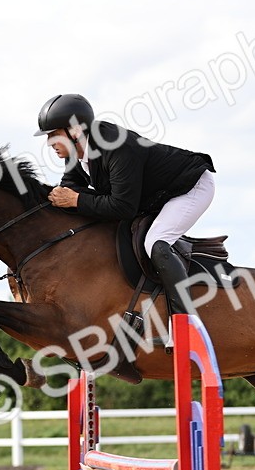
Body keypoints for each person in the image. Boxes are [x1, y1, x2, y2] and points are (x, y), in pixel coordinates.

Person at [34, 93, 216, 314]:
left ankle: (185, 321)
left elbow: (122, 207)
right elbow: (70, 189)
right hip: (152, 196)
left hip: (190, 187)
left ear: (75, 131)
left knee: (155, 242)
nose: (49, 143)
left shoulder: (117, 146)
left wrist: (76, 199)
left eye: (53, 135)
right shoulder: (75, 150)